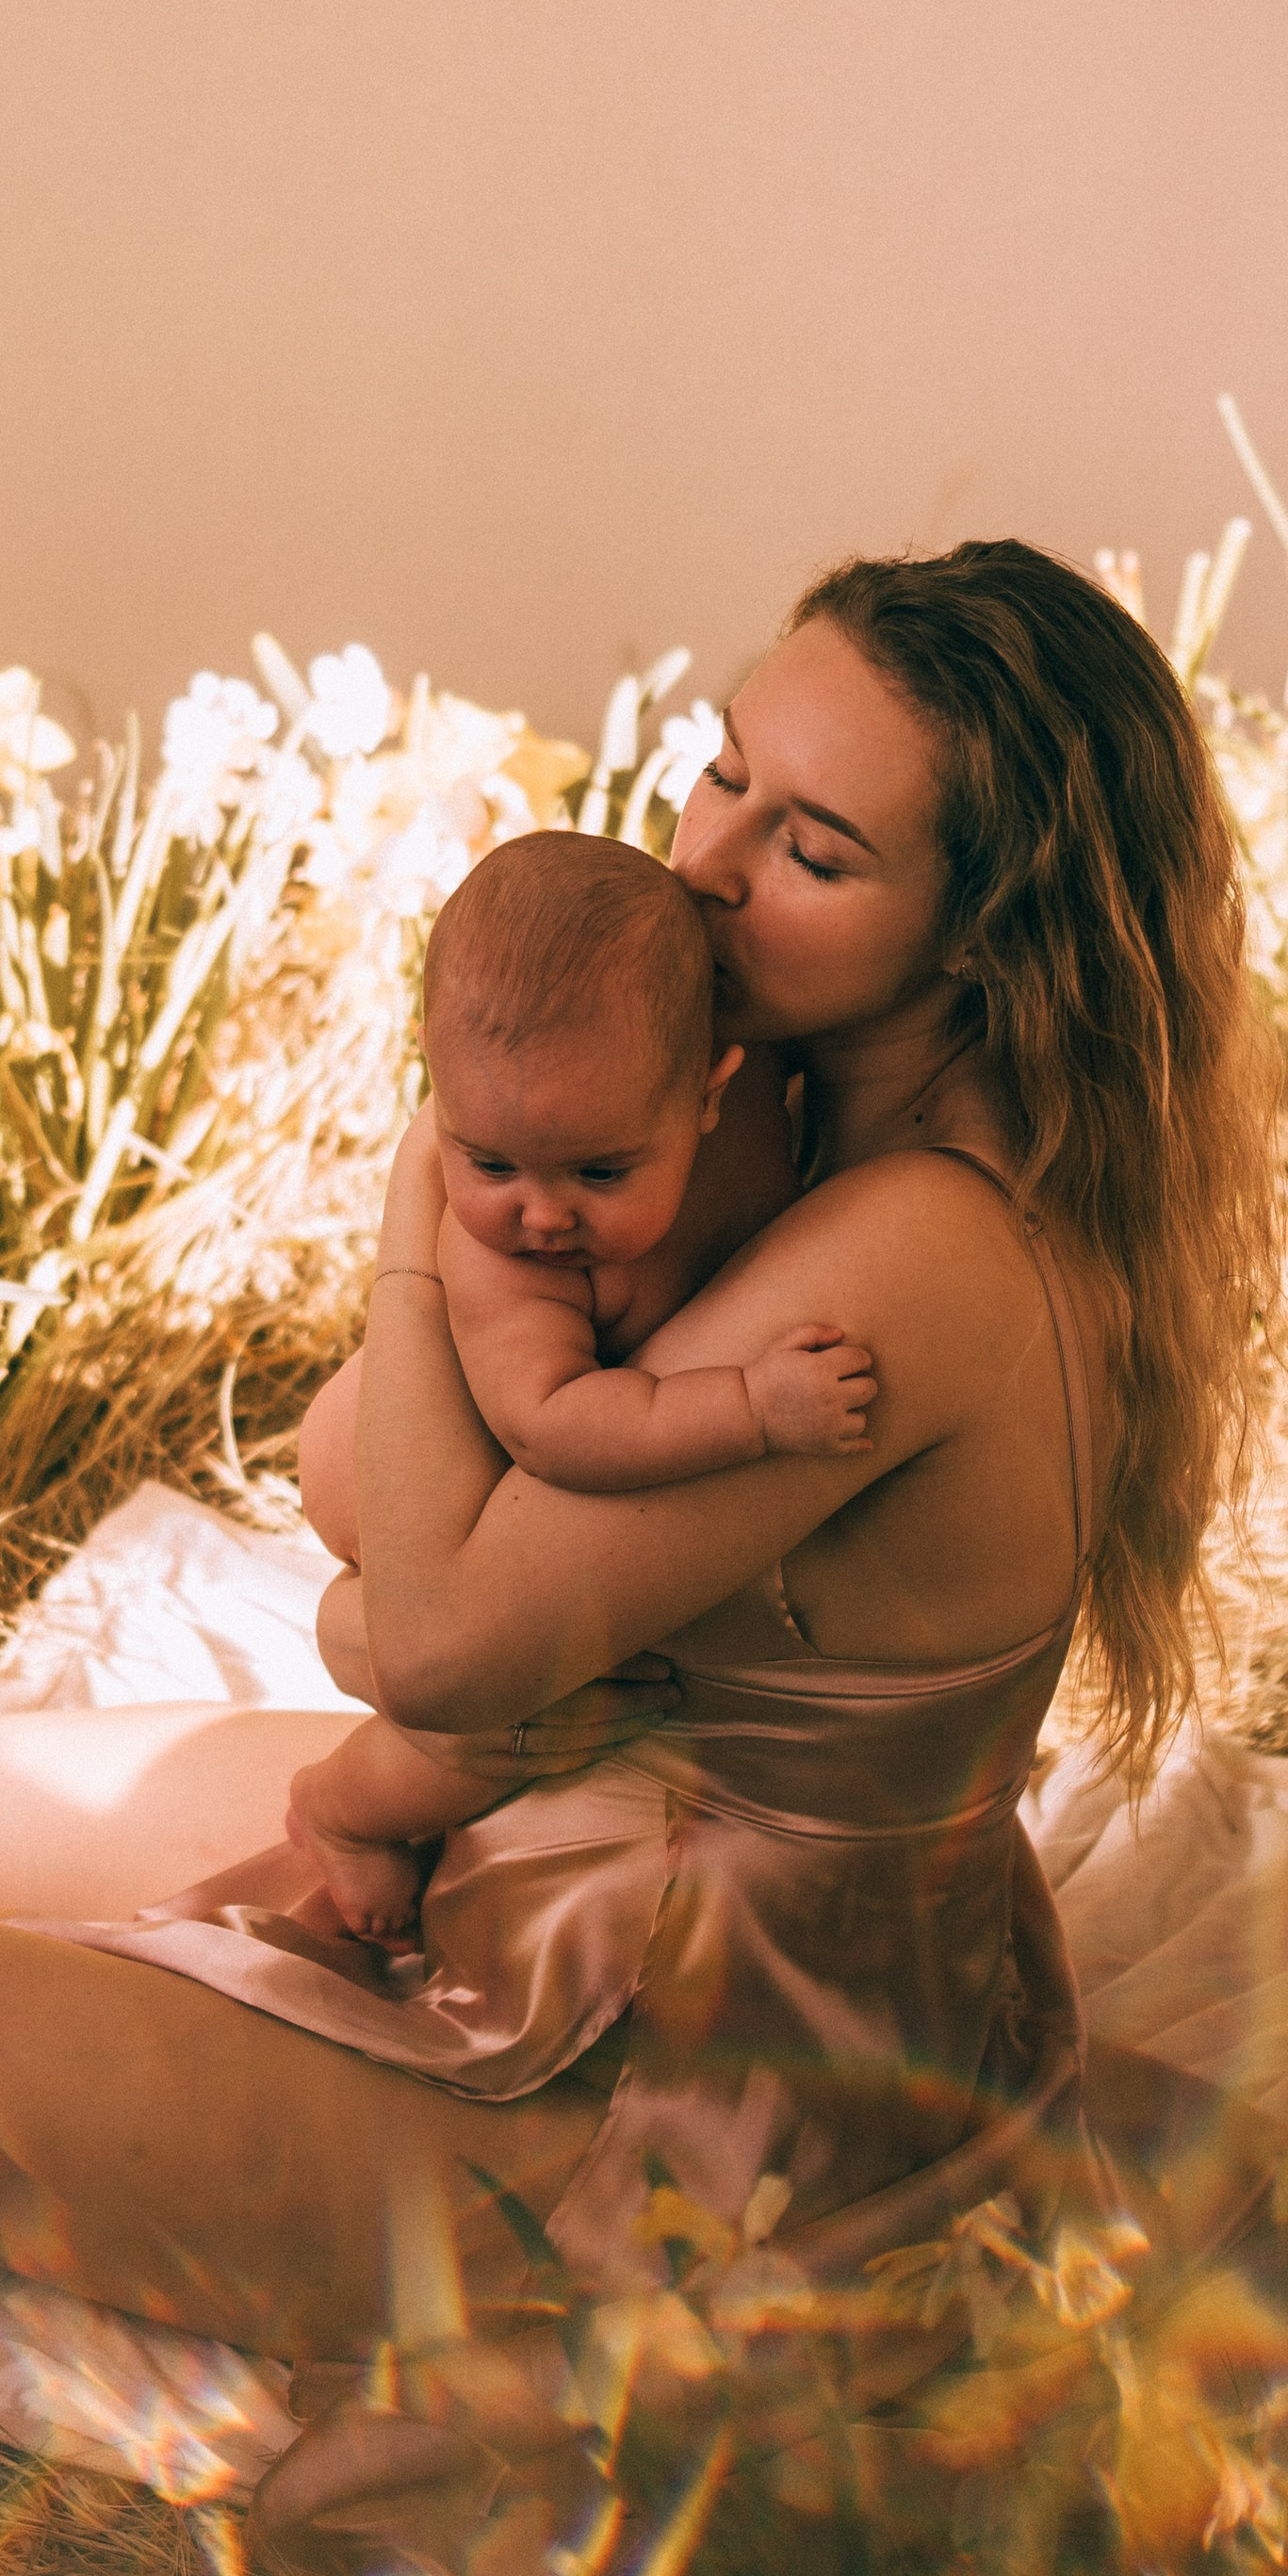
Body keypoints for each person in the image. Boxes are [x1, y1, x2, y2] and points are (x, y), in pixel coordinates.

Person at [0, 539, 1280, 2571]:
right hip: (598, 1817)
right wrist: (423, 1520)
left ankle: (715, 2330)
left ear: (988, 938)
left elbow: (442, 1634)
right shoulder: (760, 1097)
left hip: (725, 2073)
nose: (708, 863)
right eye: (723, 773)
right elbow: (342, 1475)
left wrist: (419, 1178)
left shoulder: (913, 1252)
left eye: (810, 847)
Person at [285, 826, 876, 1940]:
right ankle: (343, 1810)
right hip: (412, 1463)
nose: (538, 1212)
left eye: (598, 1174)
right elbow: (555, 1424)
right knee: (507, 1711)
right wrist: (752, 1408)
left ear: (710, 1093)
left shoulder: (747, 1084)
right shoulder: (508, 1263)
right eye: (485, 1162)